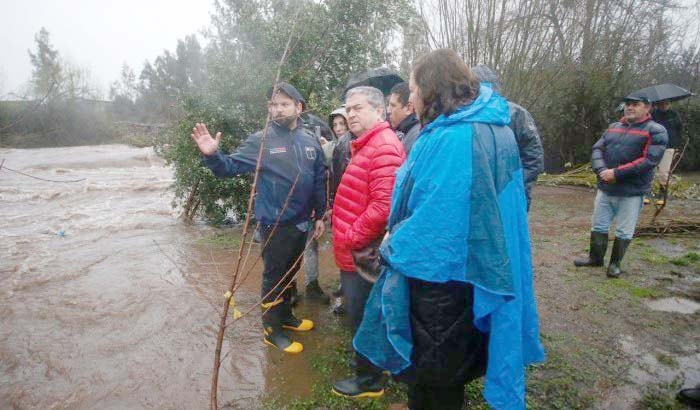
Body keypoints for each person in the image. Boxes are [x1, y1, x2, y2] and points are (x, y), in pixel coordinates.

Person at [351, 49, 545, 410]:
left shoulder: (456, 137)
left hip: (442, 285)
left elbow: (436, 226)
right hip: (473, 269)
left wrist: (390, 247)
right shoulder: (490, 125)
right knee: (451, 374)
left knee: (434, 380)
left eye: (412, 89)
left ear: (431, 88)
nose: (410, 98)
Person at [190, 82, 326, 354]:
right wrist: (213, 155)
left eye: (284, 104)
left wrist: (320, 214)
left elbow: (319, 177)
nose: (277, 109)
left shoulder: (310, 139)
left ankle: (286, 316)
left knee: (290, 273)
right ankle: (271, 330)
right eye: (273, 105)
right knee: (274, 277)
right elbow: (228, 167)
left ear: (299, 107)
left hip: (303, 222)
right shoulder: (261, 140)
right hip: (274, 223)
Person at [330, 86, 406, 398]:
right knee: (362, 313)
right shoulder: (366, 145)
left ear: (379, 111)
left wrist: (350, 236)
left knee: (363, 317)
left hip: (362, 253)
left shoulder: (383, 147)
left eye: (357, 108)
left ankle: (369, 380)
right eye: (348, 109)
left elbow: (383, 206)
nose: (350, 115)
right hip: (356, 251)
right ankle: (371, 369)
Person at [574, 91, 668, 278]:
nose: (630, 107)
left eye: (636, 104)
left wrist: (616, 173)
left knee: (624, 229)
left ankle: (615, 265)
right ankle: (595, 259)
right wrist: (602, 171)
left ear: (647, 107)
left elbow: (649, 160)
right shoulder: (613, 127)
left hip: (631, 191)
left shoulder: (656, 130)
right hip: (606, 187)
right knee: (599, 225)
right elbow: (597, 149)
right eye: (628, 104)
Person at [471, 64, 544, 211]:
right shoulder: (468, 115)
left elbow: (534, 156)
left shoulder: (516, 114)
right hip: (480, 194)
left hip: (513, 191)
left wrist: (514, 183)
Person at [651, 100, 683, 204]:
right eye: (662, 103)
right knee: (650, 169)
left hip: (669, 147)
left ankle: (662, 193)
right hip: (654, 145)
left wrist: (678, 147)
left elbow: (679, 131)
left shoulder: (674, 115)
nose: (664, 105)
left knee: (664, 172)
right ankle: (648, 192)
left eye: (667, 103)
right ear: (658, 104)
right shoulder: (653, 115)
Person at [387, 82, 421, 155]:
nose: (388, 111)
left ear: (409, 108)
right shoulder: (404, 131)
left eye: (393, 106)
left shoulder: (416, 135)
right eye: (388, 105)